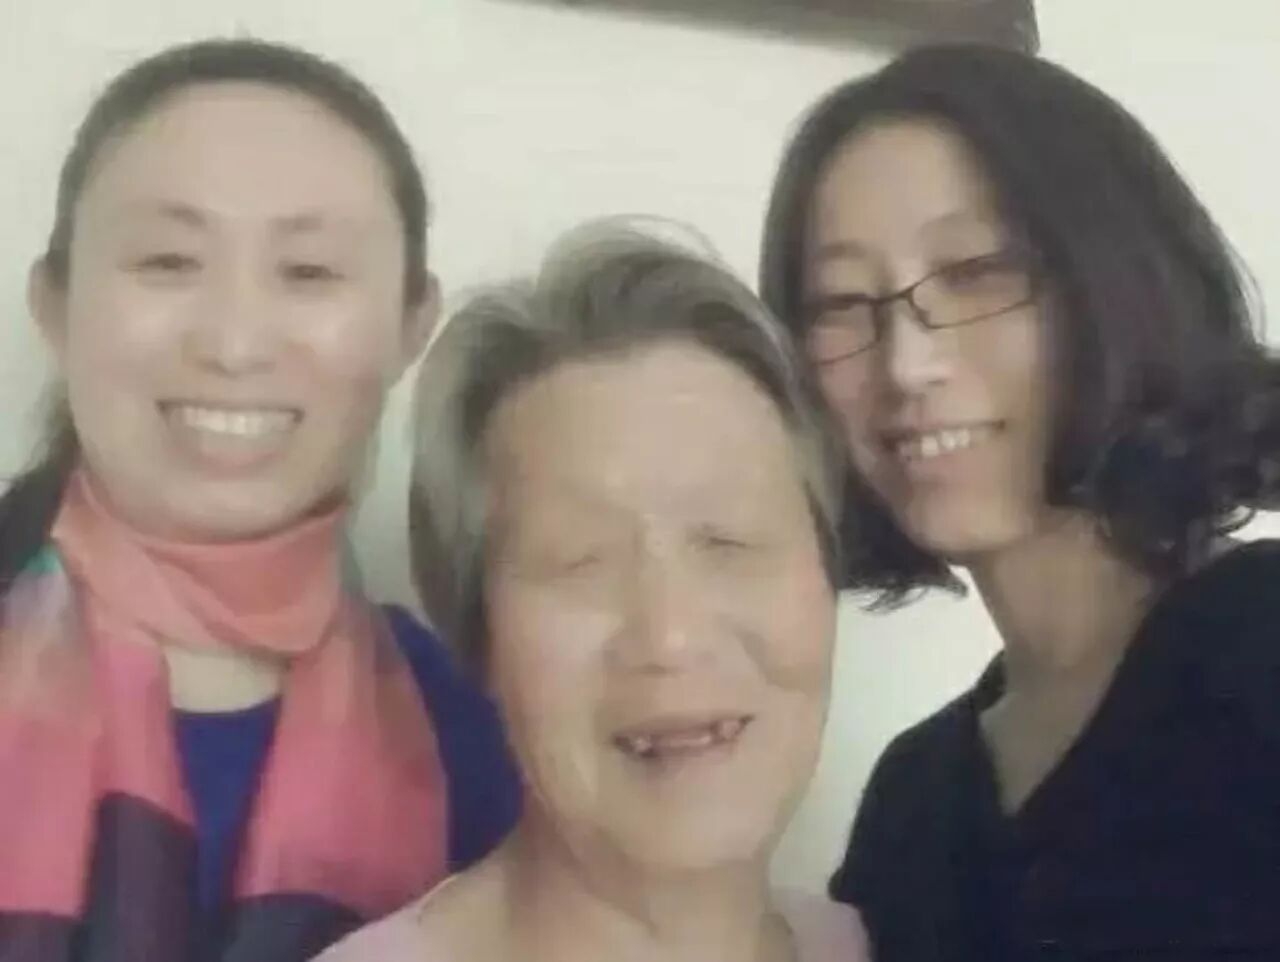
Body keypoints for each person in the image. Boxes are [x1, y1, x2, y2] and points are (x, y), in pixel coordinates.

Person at [0, 38, 519, 961]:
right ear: (53, 303)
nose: (235, 343)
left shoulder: (465, 736)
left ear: (412, 327)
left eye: (309, 272)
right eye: (168, 261)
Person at [760, 43, 1280, 961]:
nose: (907, 364)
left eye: (974, 272)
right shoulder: (915, 803)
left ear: (1114, 281)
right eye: (841, 302)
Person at [316, 224, 871, 962]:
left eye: (728, 541)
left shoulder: (900, 936)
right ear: (476, 633)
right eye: (581, 560)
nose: (671, 635)